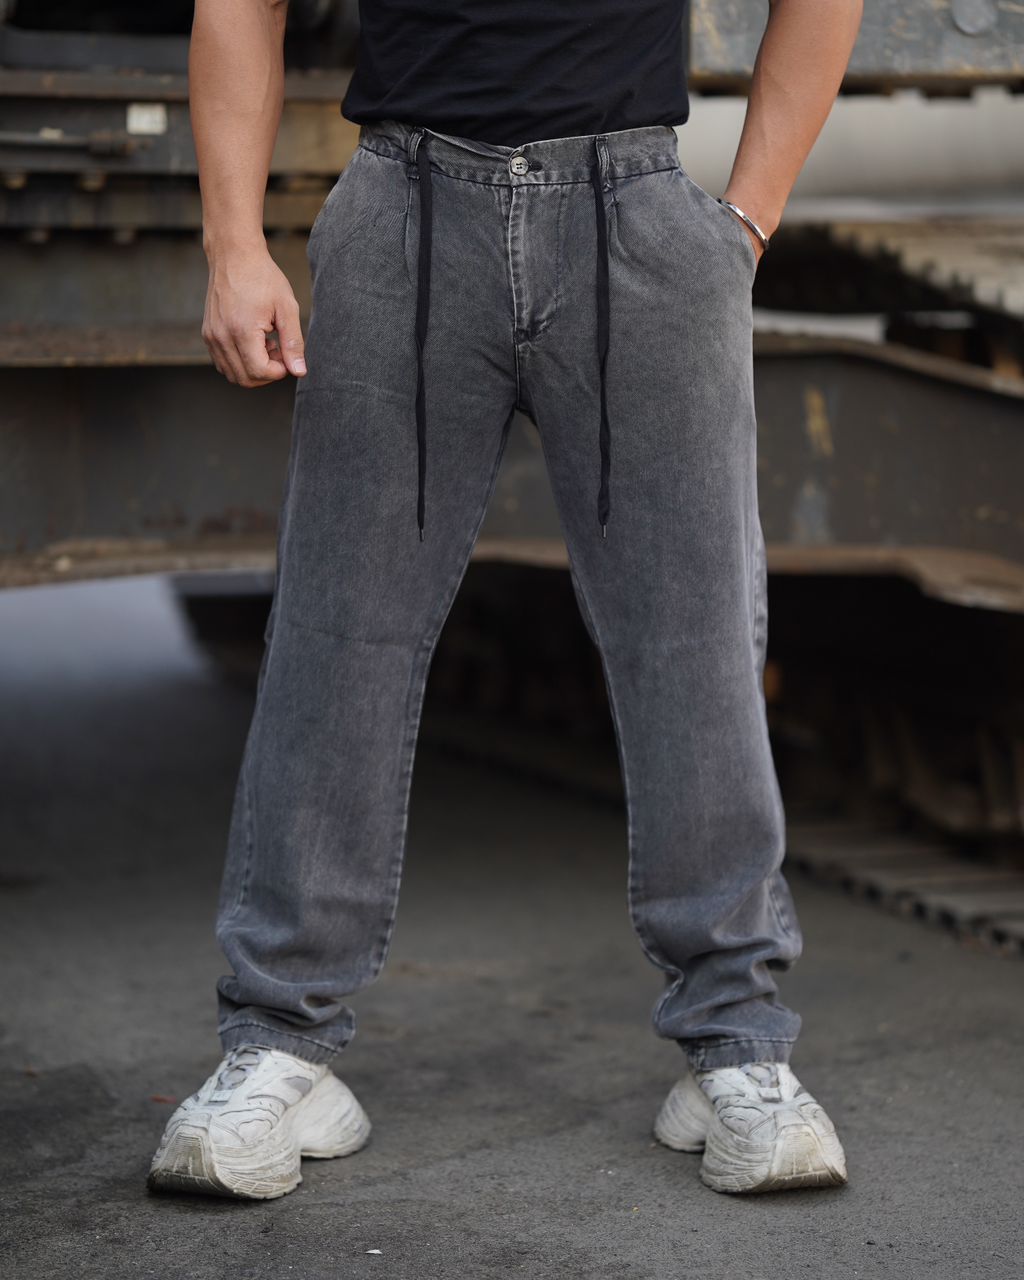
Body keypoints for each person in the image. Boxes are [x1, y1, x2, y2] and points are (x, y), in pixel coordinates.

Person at [149, 0, 863, 1200]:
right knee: (339, 632)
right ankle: (278, 1040)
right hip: (407, 203)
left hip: (632, 207)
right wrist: (233, 244)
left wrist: (743, 218)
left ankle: (737, 1042)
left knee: (692, 637)